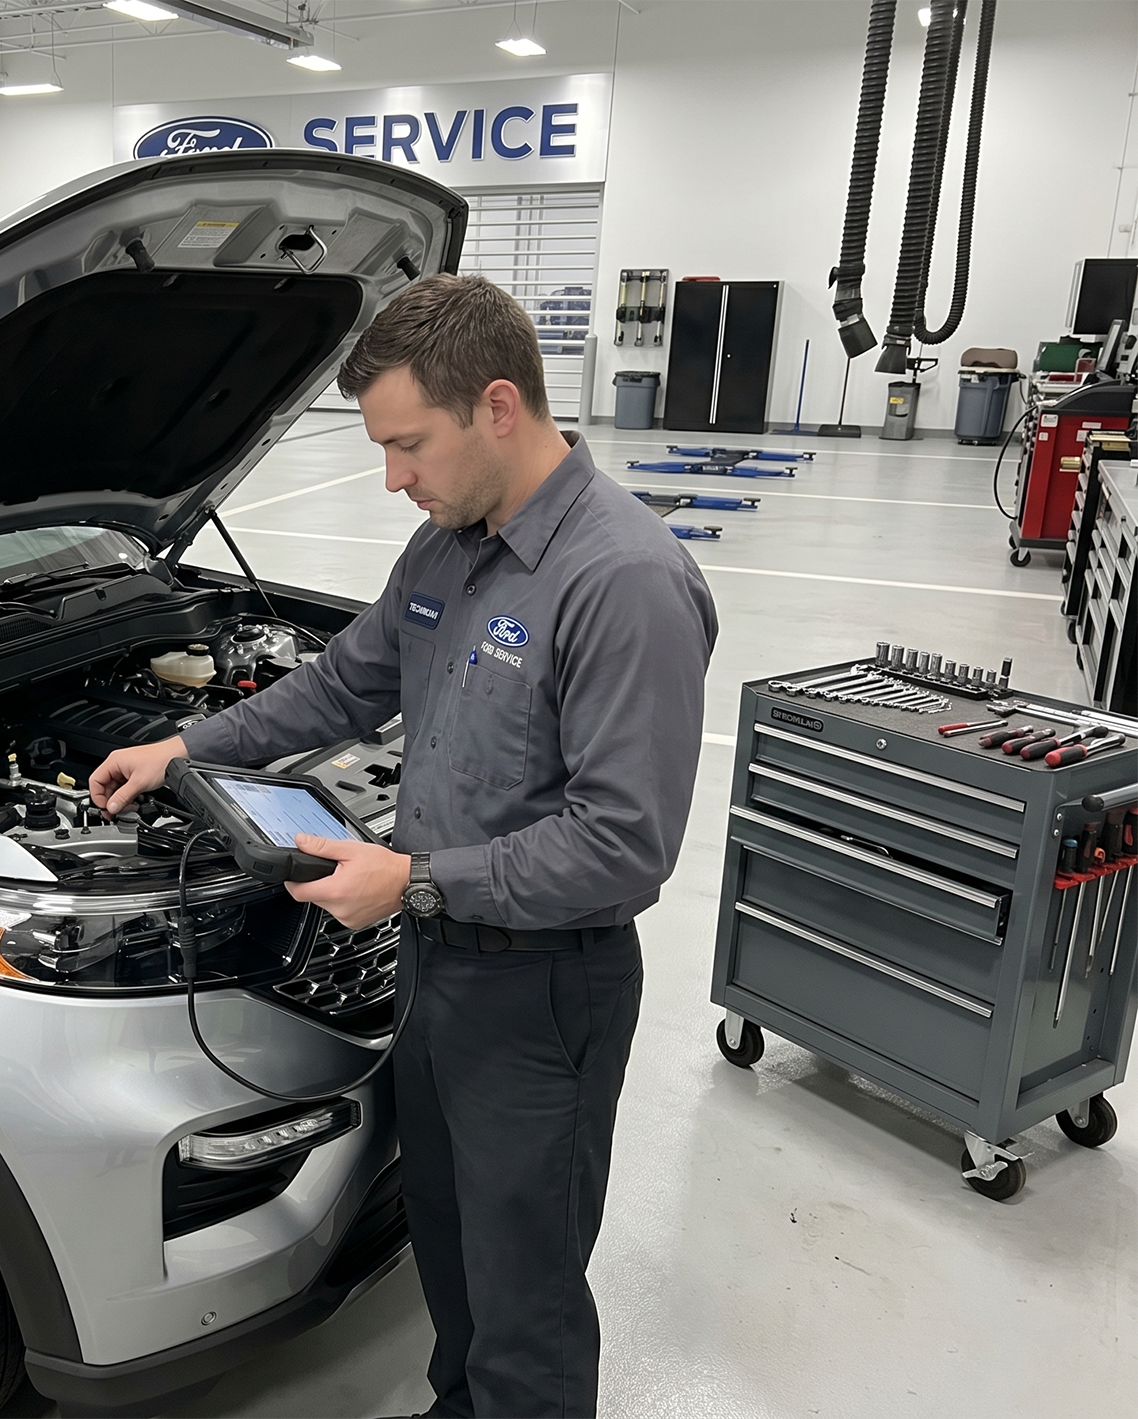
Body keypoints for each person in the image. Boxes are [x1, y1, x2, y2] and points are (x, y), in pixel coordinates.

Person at [90, 273, 718, 1419]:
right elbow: (338, 686)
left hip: (542, 993)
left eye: (407, 445)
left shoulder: (622, 581)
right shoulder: (445, 551)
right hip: (433, 969)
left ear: (495, 407)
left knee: (524, 1290)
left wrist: (413, 879)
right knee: (448, 1243)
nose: (392, 479)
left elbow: (625, 848)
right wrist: (183, 747)